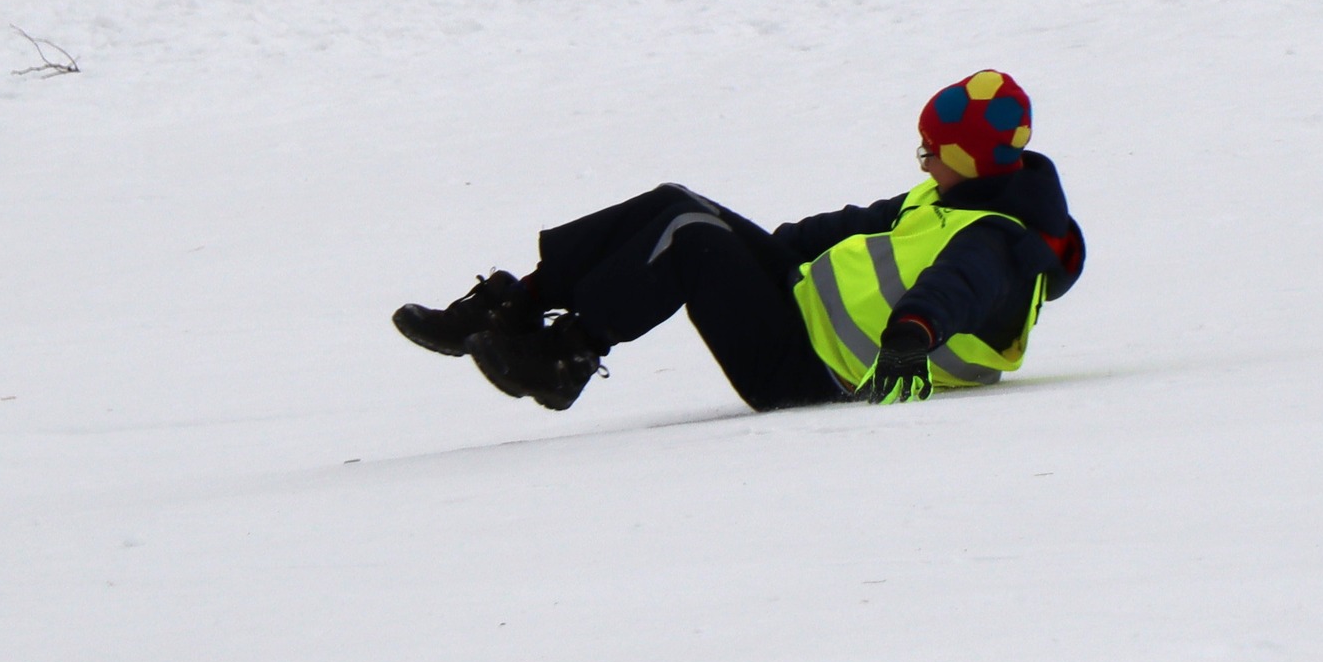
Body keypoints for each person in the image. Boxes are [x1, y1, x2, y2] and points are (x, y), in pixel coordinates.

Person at [393, 70, 1085, 410]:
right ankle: (513, 306)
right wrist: (754, 248)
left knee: (690, 239)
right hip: (798, 316)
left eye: (932, 150)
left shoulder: (999, 241)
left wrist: (913, 330)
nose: (923, 159)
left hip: (814, 374)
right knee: (680, 206)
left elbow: (958, 289)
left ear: (970, 159)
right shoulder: (950, 196)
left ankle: (566, 355)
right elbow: (842, 227)